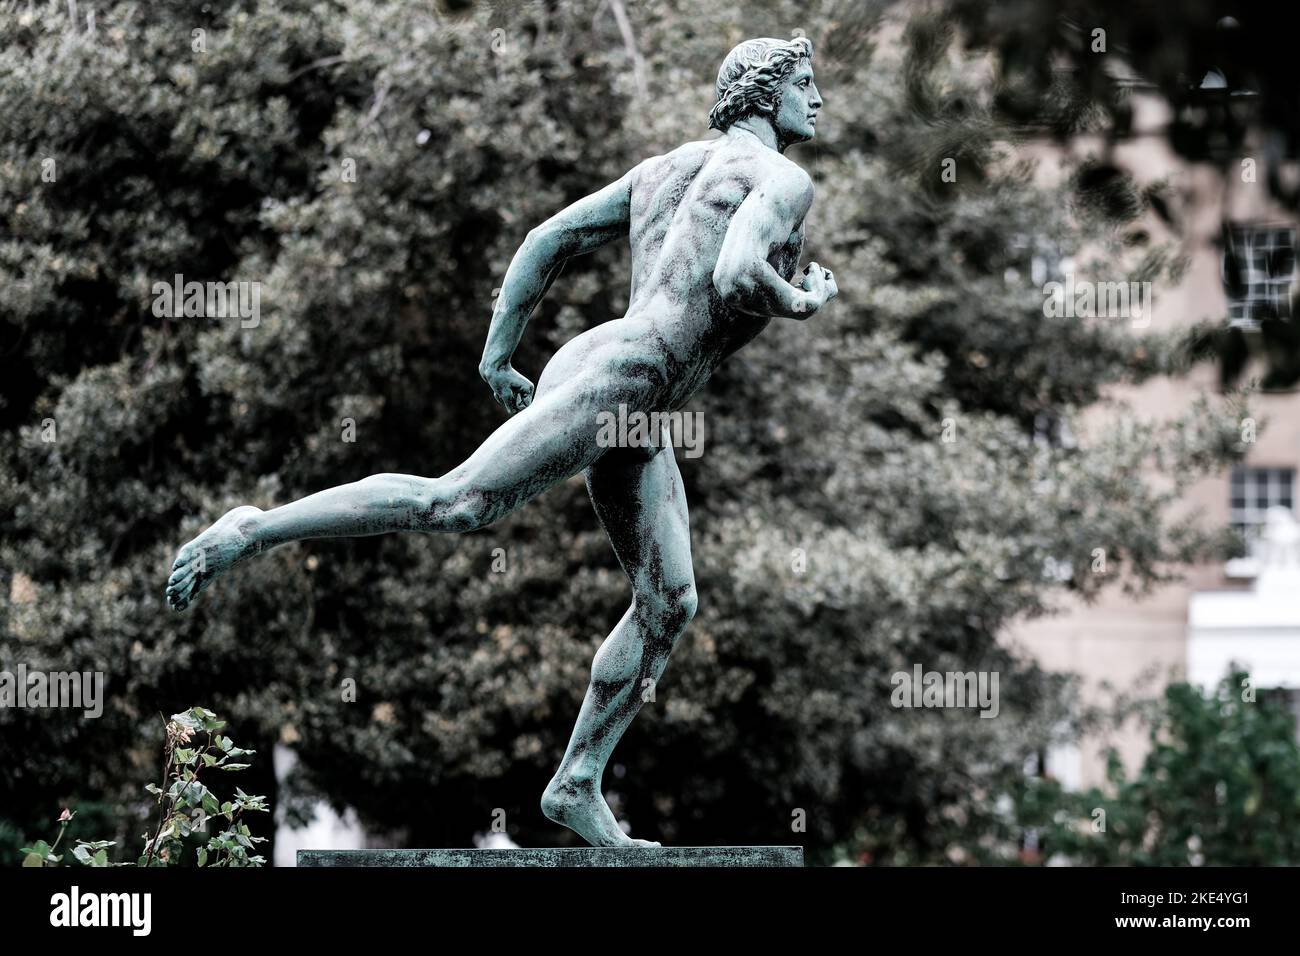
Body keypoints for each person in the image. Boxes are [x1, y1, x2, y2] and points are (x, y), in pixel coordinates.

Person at [166, 36, 838, 847]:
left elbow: (544, 241)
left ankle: (576, 782)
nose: (818, 99)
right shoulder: (782, 181)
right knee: (459, 503)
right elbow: (736, 276)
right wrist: (802, 299)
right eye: (806, 83)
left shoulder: (663, 169)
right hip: (629, 377)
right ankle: (254, 526)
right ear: (766, 93)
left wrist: (498, 355)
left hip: (628, 386)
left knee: (669, 601)